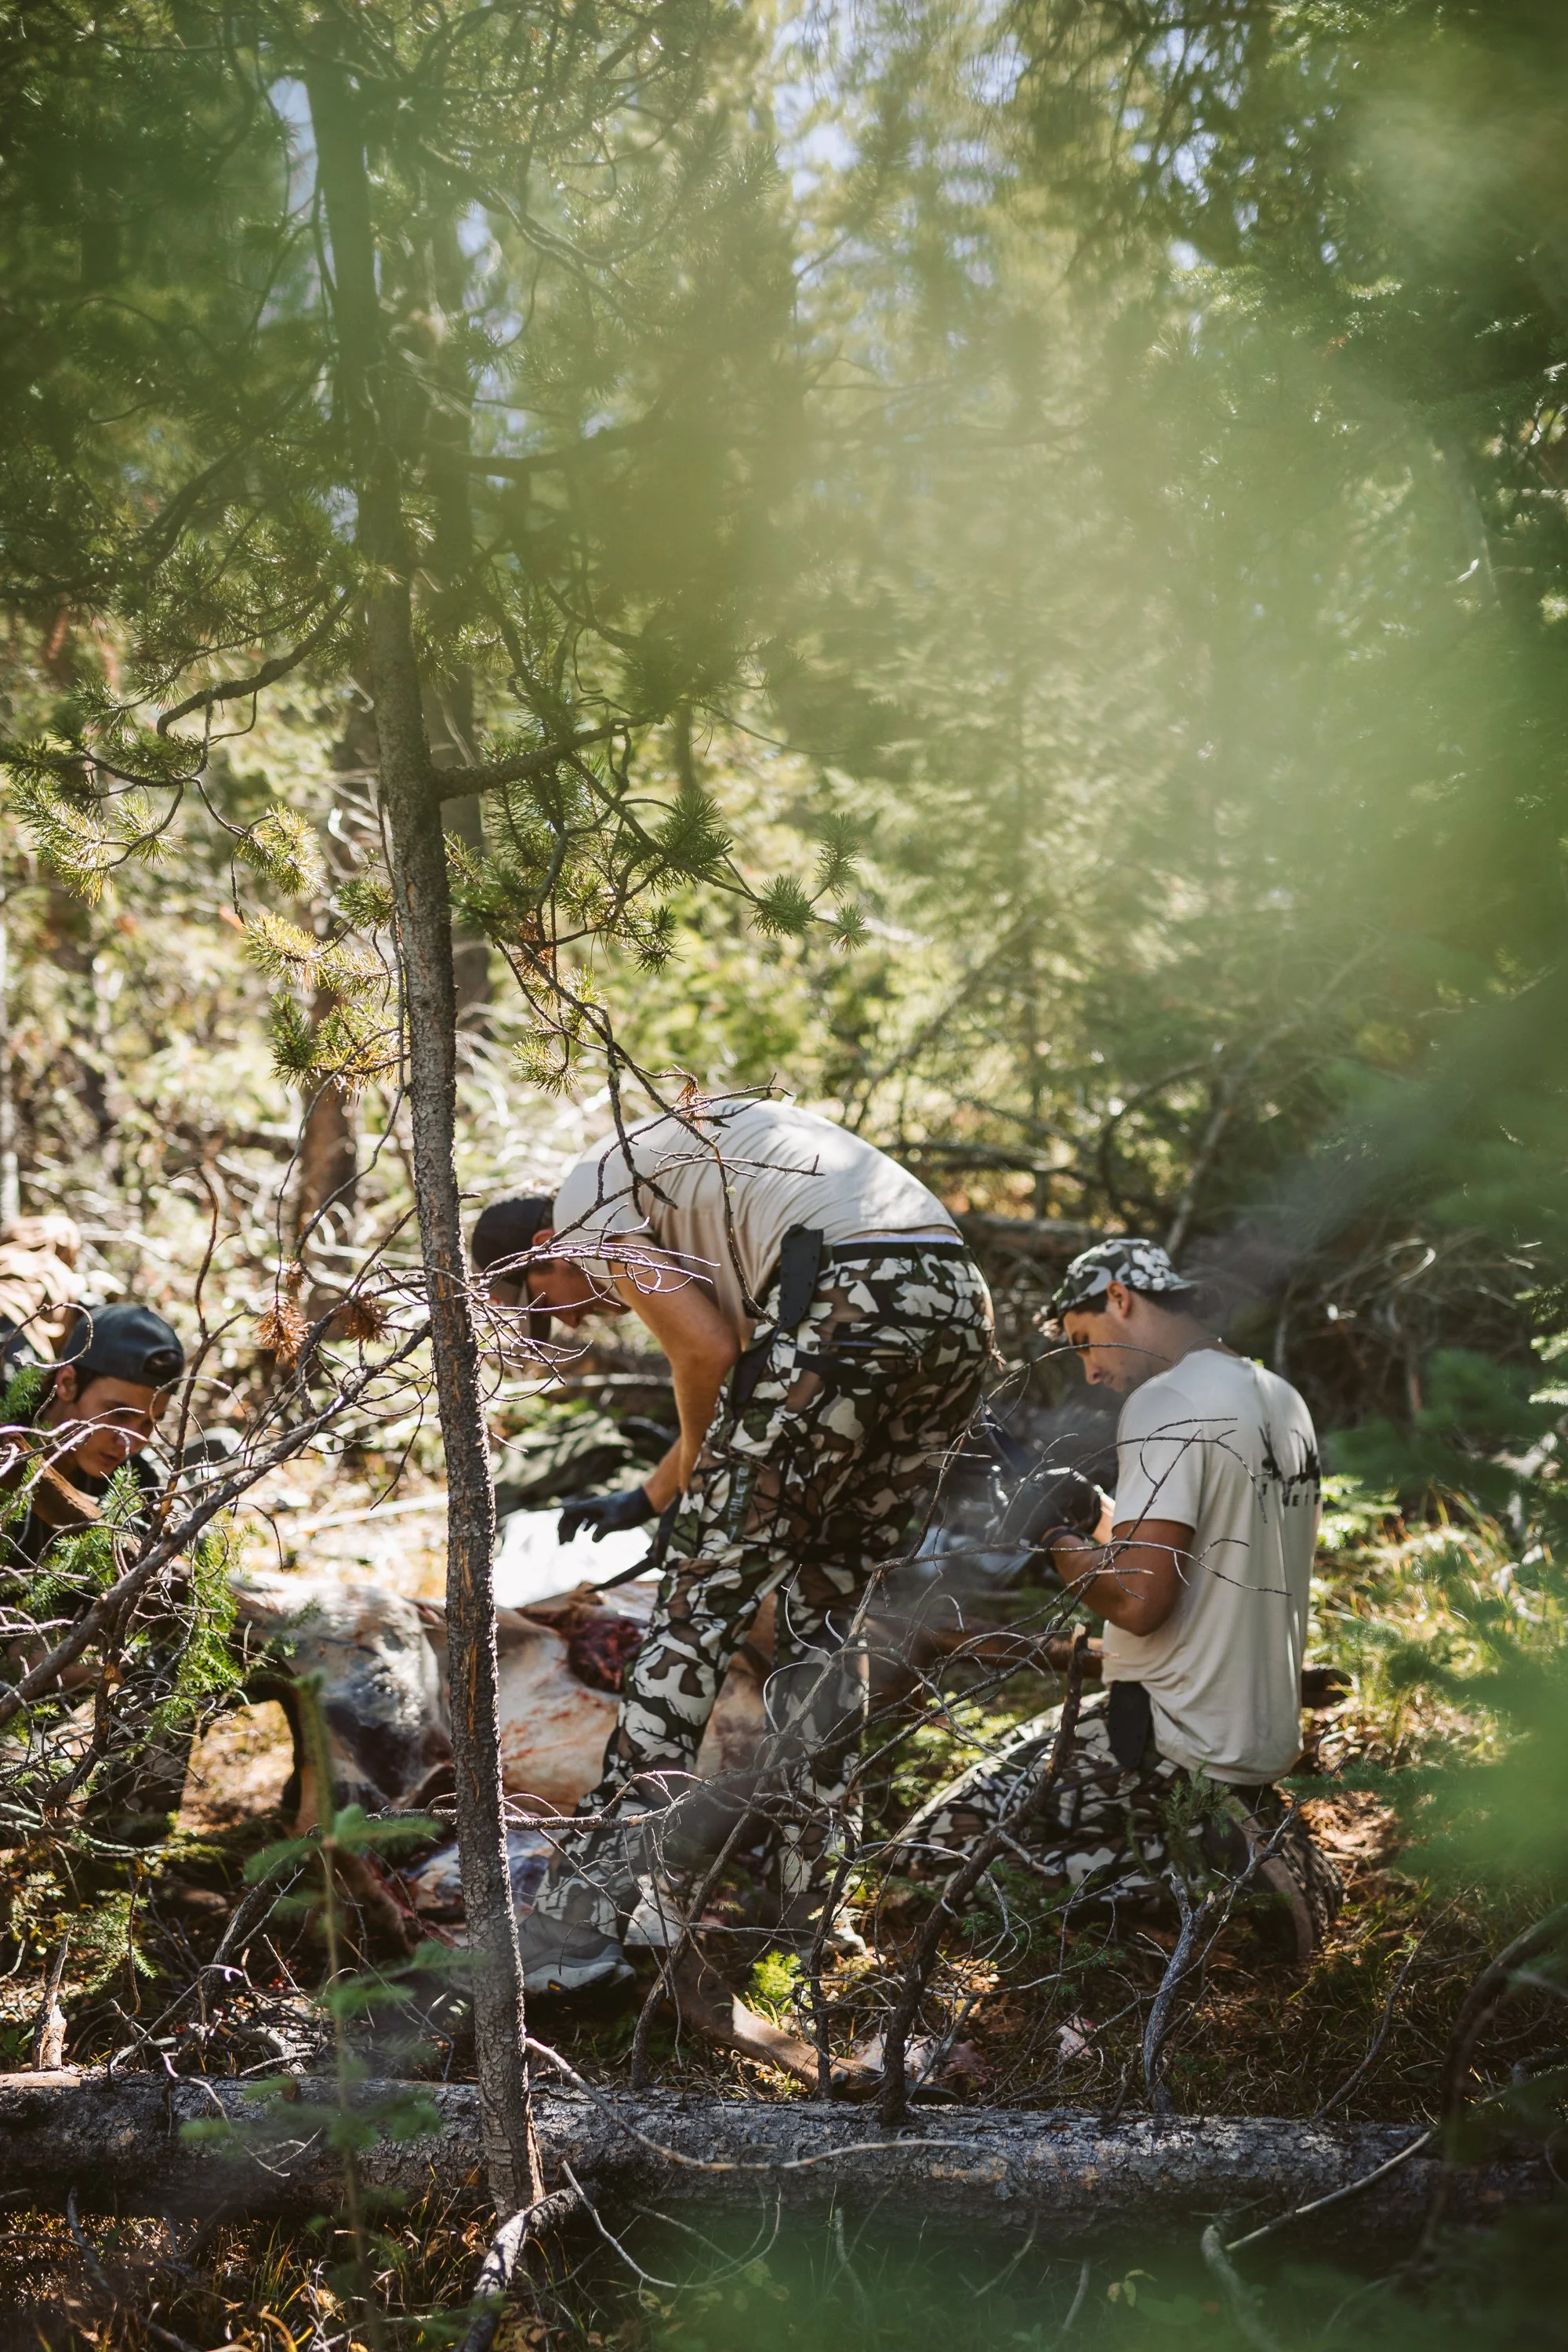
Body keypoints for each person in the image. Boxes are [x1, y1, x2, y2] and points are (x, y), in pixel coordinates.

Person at [472, 1091, 995, 1994]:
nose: (570, 1324)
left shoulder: (587, 1193)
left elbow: (706, 1358)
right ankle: (811, 1910)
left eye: (545, 1308)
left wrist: (696, 1512)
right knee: (825, 1614)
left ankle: (579, 1920)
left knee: (692, 1615)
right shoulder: (698, 1204)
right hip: (949, 1299)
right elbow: (757, 1396)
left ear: (541, 1252)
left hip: (850, 1296)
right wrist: (648, 1497)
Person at [899, 1238, 1341, 1957]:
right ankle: (1245, 1836)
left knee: (931, 1858)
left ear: (1118, 1297)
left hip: (1169, 1730)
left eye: (1082, 1343)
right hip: (1255, 1729)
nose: (1092, 1370)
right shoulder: (1277, 1398)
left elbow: (1138, 1600)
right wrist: (1092, 1512)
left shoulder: (1165, 1401)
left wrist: (1047, 1536)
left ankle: (1202, 1882)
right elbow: (1208, 1551)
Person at [2, 1302, 190, 1842]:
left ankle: (117, 1858)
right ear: (65, 1383)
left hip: (45, 1678)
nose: (130, 1439)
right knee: (23, 1798)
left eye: (150, 1422)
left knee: (175, 1649)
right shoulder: (7, 1443)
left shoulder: (139, 1483)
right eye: (117, 1414)